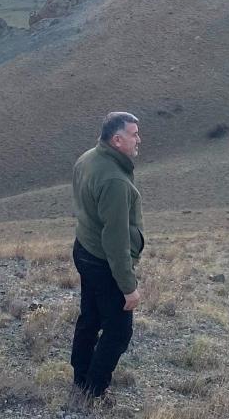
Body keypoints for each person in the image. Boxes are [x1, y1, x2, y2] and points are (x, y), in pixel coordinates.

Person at [70, 111, 145, 401]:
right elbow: (115, 241)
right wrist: (129, 287)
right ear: (117, 139)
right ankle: (94, 389)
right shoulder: (115, 180)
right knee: (118, 331)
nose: (139, 139)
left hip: (84, 249)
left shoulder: (88, 157)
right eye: (134, 134)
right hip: (103, 261)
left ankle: (80, 375)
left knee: (90, 316)